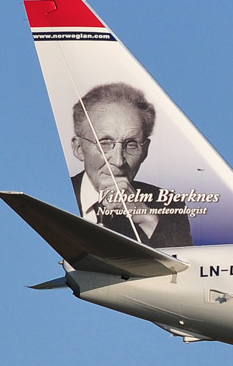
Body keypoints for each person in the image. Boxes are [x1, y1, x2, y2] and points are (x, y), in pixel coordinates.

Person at [68, 82, 193, 247]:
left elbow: (186, 267)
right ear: (78, 149)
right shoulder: (56, 197)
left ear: (145, 151)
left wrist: (147, 219)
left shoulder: (167, 204)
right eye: (105, 143)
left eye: (131, 144)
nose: (119, 161)